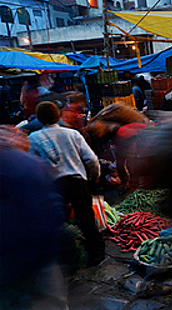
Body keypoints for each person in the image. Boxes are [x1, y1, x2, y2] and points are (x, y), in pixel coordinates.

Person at [29, 101, 105, 266]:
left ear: (39, 118)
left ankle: (67, 257)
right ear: (58, 115)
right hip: (77, 182)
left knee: (59, 222)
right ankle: (97, 254)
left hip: (54, 186)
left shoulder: (33, 138)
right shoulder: (72, 134)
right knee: (86, 219)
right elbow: (91, 159)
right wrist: (95, 176)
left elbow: (33, 166)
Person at [0, 144, 68, 310]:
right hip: (38, 255)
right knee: (51, 301)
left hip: (8, 265)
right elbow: (54, 207)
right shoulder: (25, 162)